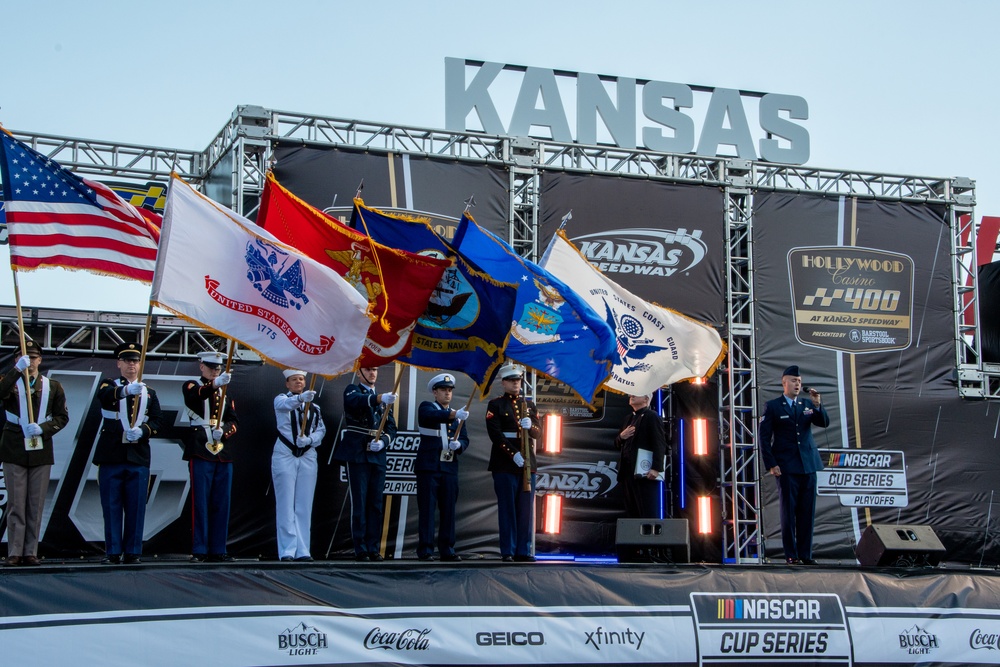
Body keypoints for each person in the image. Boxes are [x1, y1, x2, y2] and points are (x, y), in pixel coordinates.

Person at [93, 342, 162, 564]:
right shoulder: (108, 384)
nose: (132, 365)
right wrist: (124, 391)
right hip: (112, 454)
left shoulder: (149, 392)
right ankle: (113, 552)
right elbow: (103, 397)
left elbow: (158, 420)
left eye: (135, 361)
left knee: (136, 506)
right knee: (111, 506)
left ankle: (133, 551)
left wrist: (143, 431)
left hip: (138, 455)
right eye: (128, 361)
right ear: (119, 363)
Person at [0, 340, 68, 566]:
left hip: (40, 448)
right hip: (14, 447)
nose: (30, 361)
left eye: (33, 357)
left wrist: (44, 428)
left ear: (40, 359)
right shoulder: (9, 381)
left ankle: (31, 551)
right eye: (24, 357)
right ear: (17, 359)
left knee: (35, 504)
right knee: (16, 504)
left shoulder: (53, 386)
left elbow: (62, 417)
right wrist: (15, 370)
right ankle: (14, 551)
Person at [757, 364, 830, 565]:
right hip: (787, 466)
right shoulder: (773, 406)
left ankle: (806, 554)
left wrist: (817, 405)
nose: (797, 384)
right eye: (793, 381)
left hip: (808, 465)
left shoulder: (806, 404)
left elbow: (823, 422)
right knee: (789, 512)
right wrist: (771, 464)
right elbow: (764, 438)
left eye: (799, 381)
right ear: (784, 383)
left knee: (807, 512)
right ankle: (791, 554)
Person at [334, 366, 397, 562]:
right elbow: (354, 402)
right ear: (360, 372)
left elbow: (391, 427)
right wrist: (378, 399)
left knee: (375, 504)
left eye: (375, 370)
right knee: (360, 503)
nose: (372, 373)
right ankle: (360, 547)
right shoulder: (353, 390)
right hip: (359, 453)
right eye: (368, 370)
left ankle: (373, 547)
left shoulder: (383, 398)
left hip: (377, 454)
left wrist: (384, 441)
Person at [182, 350, 238, 563]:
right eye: (211, 367)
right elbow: (195, 397)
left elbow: (234, 420)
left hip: (222, 450)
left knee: (221, 502)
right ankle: (199, 549)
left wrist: (224, 430)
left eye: (218, 368)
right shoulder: (191, 385)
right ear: (201, 366)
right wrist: (214, 385)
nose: (215, 371)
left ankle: (218, 548)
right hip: (200, 447)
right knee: (201, 501)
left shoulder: (226, 391)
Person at [485, 362, 540, 563]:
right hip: (505, 463)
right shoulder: (496, 405)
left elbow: (538, 433)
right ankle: (508, 550)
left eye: (518, 380)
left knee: (525, 509)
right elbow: (495, 434)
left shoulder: (530, 405)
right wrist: (513, 453)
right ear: (504, 383)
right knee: (507, 508)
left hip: (527, 463)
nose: (516, 384)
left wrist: (532, 426)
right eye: (512, 380)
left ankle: (523, 551)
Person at [272, 369, 326, 562]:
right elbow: (285, 406)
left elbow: (321, 429)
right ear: (287, 383)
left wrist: (310, 439)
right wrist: (301, 399)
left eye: (301, 379)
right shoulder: (281, 399)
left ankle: (303, 549)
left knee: (304, 504)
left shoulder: (315, 408)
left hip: (307, 455)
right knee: (286, 503)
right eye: (294, 380)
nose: (298, 382)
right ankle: (287, 549)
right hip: (285, 453)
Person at [415, 372, 470, 562]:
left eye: (449, 390)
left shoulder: (458, 415)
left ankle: (447, 549)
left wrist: (460, 445)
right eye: (443, 390)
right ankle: (426, 550)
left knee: (448, 510)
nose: (447, 394)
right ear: (435, 392)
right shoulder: (427, 407)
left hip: (448, 467)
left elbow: (464, 438)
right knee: (427, 509)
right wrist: (454, 414)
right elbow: (432, 416)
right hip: (429, 467)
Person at [614, 393, 666, 519]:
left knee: (646, 509)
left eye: (636, 393)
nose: (631, 395)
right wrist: (622, 436)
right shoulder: (628, 418)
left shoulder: (651, 416)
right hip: (627, 472)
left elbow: (659, 443)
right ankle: (633, 537)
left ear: (646, 398)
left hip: (644, 472)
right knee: (631, 510)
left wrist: (656, 468)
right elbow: (616, 444)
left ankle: (648, 537)